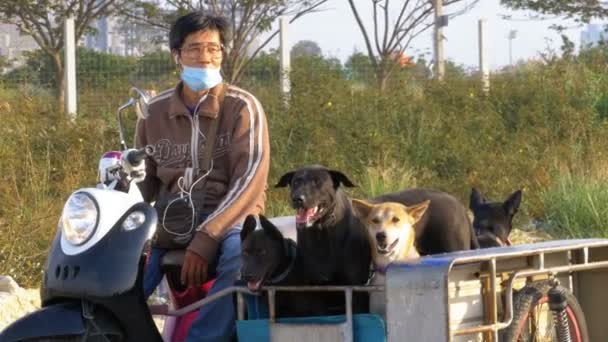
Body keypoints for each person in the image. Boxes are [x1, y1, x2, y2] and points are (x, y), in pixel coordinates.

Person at [129, 12, 270, 341]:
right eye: (194, 48)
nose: (205, 57)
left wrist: (207, 238)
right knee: (121, 269)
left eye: (214, 48)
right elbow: (143, 184)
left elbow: (250, 180)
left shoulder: (242, 107)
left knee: (241, 255)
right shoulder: (153, 112)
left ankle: (203, 338)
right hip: (171, 218)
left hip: (233, 218)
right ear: (176, 54)